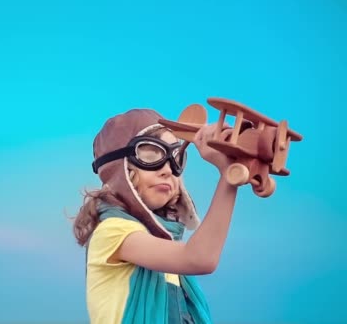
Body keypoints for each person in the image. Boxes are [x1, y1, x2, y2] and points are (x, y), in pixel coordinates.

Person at [73, 108, 239, 324]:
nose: (167, 170)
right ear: (120, 168)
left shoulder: (166, 247)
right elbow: (200, 258)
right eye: (151, 155)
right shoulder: (112, 230)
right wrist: (229, 177)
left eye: (175, 158)